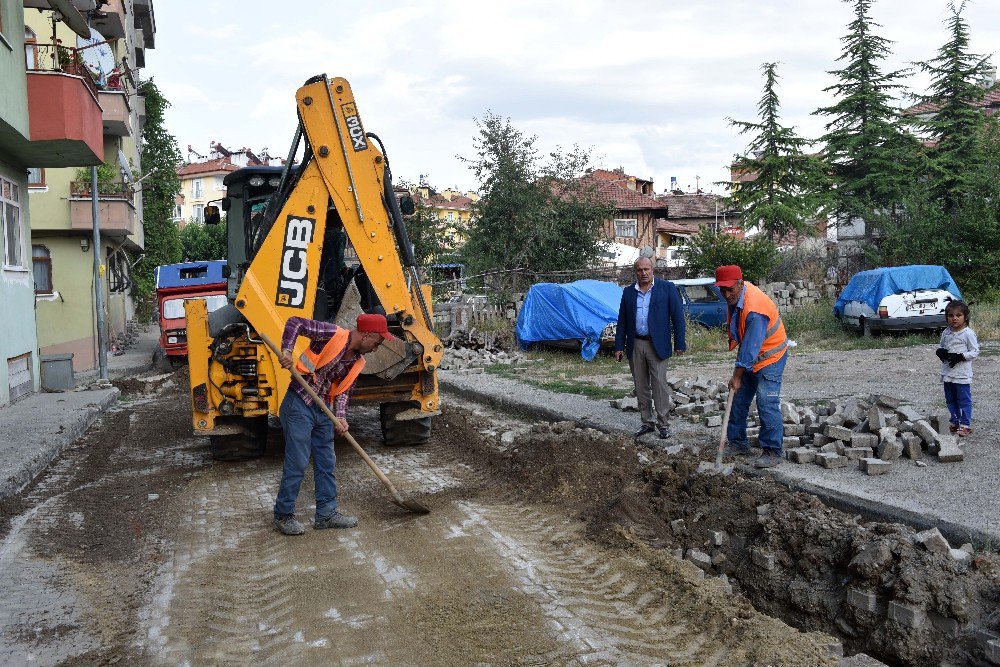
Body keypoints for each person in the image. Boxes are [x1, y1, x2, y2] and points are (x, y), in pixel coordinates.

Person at [272, 313, 396, 535]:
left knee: (327, 462)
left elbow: (343, 391)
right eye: (377, 343)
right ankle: (283, 514)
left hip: (323, 410)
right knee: (298, 461)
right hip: (299, 402)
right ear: (367, 334)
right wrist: (287, 351)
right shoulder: (332, 334)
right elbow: (295, 322)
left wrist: (340, 417)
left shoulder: (357, 361)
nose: (376, 348)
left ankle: (326, 514)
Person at [716, 265, 788, 468]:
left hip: (771, 356)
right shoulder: (738, 296)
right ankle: (738, 443)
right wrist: (738, 374)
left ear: (741, 283)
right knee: (738, 398)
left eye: (731, 289)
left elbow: (750, 349)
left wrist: (737, 375)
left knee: (766, 402)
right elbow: (745, 344)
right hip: (752, 354)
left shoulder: (755, 309)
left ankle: (772, 450)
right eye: (723, 290)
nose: (727, 294)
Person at [614, 256, 686, 439]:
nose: (643, 273)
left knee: (659, 385)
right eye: (640, 270)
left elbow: (677, 317)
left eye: (646, 269)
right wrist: (618, 345)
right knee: (641, 386)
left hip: (658, 344)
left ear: (652, 269)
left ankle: (664, 424)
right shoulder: (629, 292)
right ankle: (646, 423)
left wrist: (679, 342)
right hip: (636, 343)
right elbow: (622, 320)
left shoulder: (666, 288)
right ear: (635, 272)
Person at [935, 300, 979, 437]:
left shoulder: (968, 334)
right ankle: (954, 421)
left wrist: (961, 356)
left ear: (965, 317)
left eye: (958, 315)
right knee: (950, 399)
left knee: (964, 399)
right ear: (946, 317)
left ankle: (965, 424)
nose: (954, 318)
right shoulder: (946, 333)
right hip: (948, 372)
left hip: (961, 374)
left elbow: (975, 351)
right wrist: (940, 352)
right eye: (951, 315)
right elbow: (942, 347)